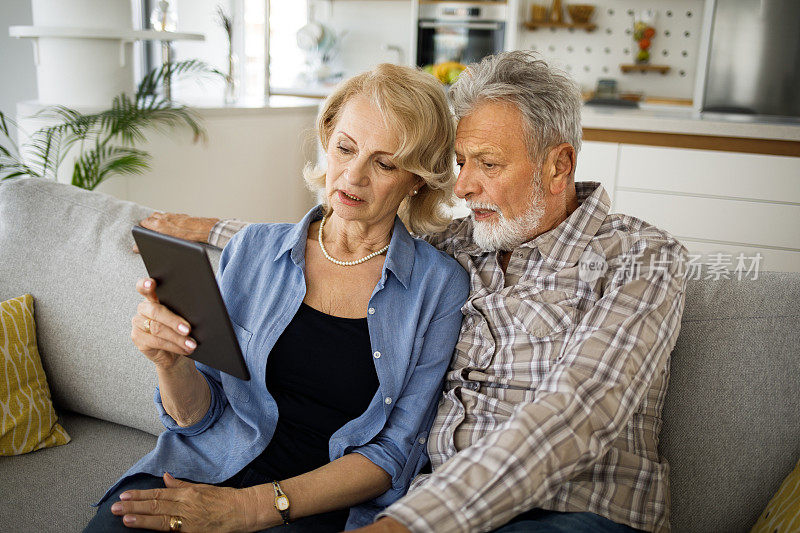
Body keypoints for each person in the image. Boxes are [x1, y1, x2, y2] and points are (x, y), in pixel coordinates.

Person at [142, 51, 688, 533]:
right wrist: (210, 229)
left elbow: (575, 415)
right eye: (460, 162)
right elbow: (347, 235)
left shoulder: (641, 257)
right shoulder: (464, 244)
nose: (466, 186)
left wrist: (406, 523)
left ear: (558, 164)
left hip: (568, 511)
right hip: (430, 508)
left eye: (489, 164)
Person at [86, 63, 470, 532]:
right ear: (327, 141)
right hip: (209, 468)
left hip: (314, 505)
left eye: (384, 162)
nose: (352, 175)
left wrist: (247, 509)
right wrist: (170, 363)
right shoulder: (252, 250)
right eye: (345, 148)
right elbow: (194, 419)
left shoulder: (439, 286)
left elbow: (391, 454)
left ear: (418, 178)